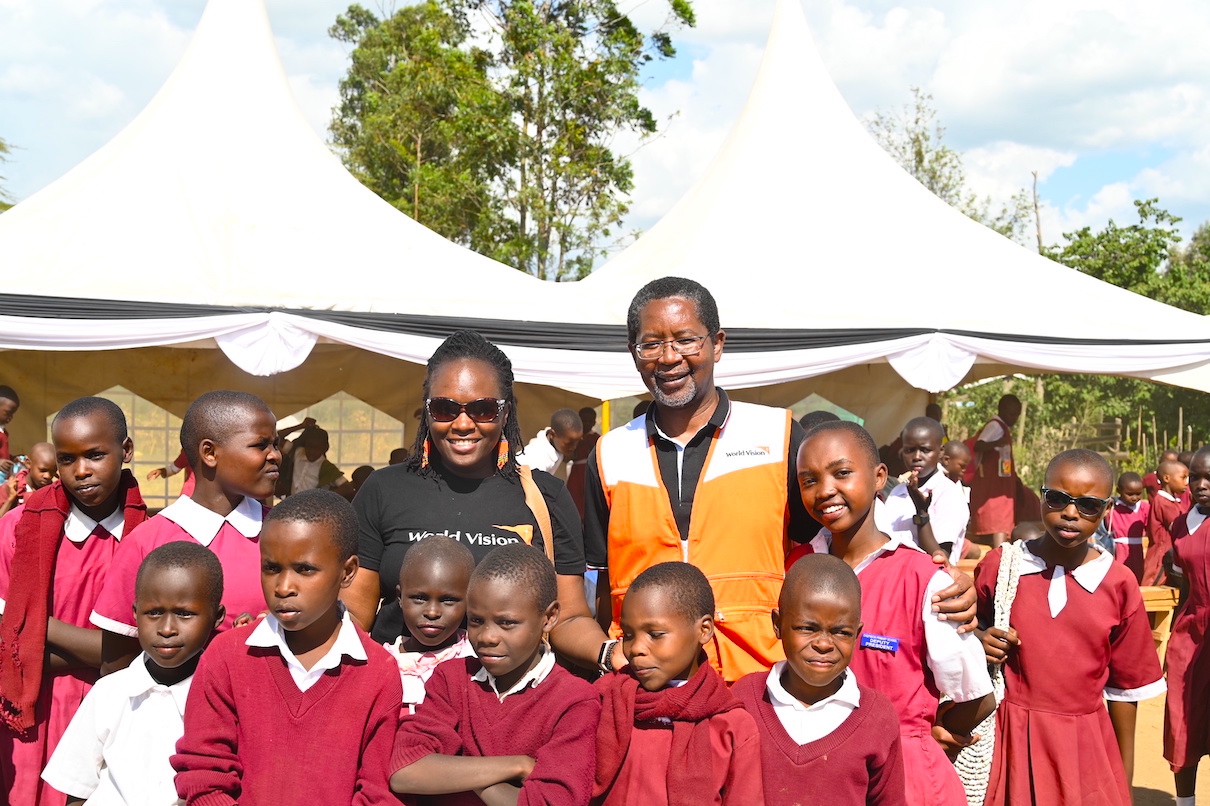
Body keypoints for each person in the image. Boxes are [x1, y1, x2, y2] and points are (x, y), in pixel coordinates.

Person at [585, 277, 974, 683]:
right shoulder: (610, 454)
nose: (668, 357)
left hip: (759, 689)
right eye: (651, 344)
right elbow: (603, 586)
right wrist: (609, 654)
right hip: (646, 694)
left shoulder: (778, 436)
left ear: (717, 344)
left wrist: (932, 577)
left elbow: (843, 541)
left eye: (686, 340)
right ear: (633, 353)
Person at [347, 330, 611, 671]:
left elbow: (569, 618)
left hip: (508, 709)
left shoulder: (545, 497)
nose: (462, 424)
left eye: (482, 409)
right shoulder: (384, 490)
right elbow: (353, 616)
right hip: (402, 704)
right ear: (426, 410)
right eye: (444, 408)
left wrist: (610, 654)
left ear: (505, 413)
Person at [796, 420, 994, 806]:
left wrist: (926, 735)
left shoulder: (924, 579)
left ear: (878, 477)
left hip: (904, 781)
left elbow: (976, 696)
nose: (825, 491)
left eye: (842, 473)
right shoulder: (797, 569)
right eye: (809, 480)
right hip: (816, 775)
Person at [172, 489, 400, 804]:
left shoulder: (377, 672)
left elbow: (378, 791)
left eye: (305, 569)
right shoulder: (227, 656)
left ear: (347, 572)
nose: (283, 587)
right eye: (271, 568)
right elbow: (203, 774)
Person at [977, 449, 1165, 806]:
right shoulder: (1002, 566)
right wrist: (979, 639)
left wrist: (1122, 783)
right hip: (1009, 739)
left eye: (1089, 505)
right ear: (1041, 495)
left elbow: (1125, 692)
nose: (1070, 512)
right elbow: (969, 628)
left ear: (1106, 509)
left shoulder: (1118, 584)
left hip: (1084, 747)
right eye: (1058, 498)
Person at [0, 397, 146, 806]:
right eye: (67, 459)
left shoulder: (150, 537)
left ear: (126, 451)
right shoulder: (18, 529)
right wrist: (108, 651)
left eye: (96, 455)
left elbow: (148, 652)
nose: (81, 471)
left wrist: (30, 623)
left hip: (117, 712)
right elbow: (3, 649)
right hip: (31, 710)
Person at [390, 543, 601, 805]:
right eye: (476, 621)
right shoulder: (451, 678)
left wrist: (459, 771)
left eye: (507, 623)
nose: (487, 637)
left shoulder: (574, 700)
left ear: (549, 617)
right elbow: (405, 771)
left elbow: (553, 800)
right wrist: (517, 766)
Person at [91, 390, 281, 674]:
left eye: (275, 444)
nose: (275, 455)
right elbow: (117, 663)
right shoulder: (147, 542)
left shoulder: (284, 533)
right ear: (209, 453)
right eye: (260, 445)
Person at [40, 543, 224, 806]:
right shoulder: (108, 693)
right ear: (135, 614)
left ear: (216, 617)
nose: (167, 629)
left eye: (185, 614)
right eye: (154, 613)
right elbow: (77, 791)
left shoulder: (223, 700)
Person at [733, 553, 906, 806]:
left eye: (841, 632)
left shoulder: (878, 716)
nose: (824, 644)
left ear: (857, 634)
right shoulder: (744, 700)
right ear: (778, 624)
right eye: (807, 628)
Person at [593, 562, 762, 805]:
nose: (636, 649)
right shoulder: (604, 701)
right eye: (628, 635)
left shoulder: (731, 725)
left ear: (704, 630)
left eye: (655, 634)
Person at [1164, 447, 1210, 806]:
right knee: (1182, 719)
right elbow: (1181, 583)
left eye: (1209, 477)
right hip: (1191, 633)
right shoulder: (1181, 524)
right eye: (1195, 477)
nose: (1201, 484)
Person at [387, 535, 476, 715]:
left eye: (448, 600)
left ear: (469, 601)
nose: (432, 612)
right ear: (400, 598)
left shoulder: (476, 663)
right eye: (419, 598)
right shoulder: (379, 665)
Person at [879, 417, 969, 561]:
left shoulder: (949, 494)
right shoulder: (897, 492)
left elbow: (940, 558)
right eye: (909, 450)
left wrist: (922, 514)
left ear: (940, 452)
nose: (916, 457)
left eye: (925, 450)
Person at [969, 394, 1023, 549]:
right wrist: (997, 442)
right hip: (993, 484)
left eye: (1017, 415)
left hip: (1001, 481)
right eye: (1011, 414)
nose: (1014, 418)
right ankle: (999, 554)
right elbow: (978, 445)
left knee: (1001, 516)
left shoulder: (1002, 427)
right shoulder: (996, 426)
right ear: (1002, 410)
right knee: (999, 517)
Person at [276, 422, 354, 500]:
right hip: (292, 505)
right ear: (305, 444)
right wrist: (301, 426)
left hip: (312, 509)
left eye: (316, 448)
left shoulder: (326, 467)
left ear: (325, 448)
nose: (311, 452)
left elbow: (348, 488)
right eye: (309, 447)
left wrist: (322, 497)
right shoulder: (298, 453)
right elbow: (276, 437)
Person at [1145, 457, 1189, 586]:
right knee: (1153, 591)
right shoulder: (1164, 503)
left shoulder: (1173, 501)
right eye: (1183, 477)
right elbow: (1179, 528)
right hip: (1161, 557)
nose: (1187, 482)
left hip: (1169, 555)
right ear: (1166, 479)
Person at [518, 408, 583, 482]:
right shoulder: (537, 458)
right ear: (552, 434)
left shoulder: (556, 444)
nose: (573, 447)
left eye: (577, 442)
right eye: (569, 443)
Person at [1106, 471, 1149, 583]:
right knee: (1118, 577)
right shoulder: (1112, 507)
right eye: (1130, 494)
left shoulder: (1144, 507)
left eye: (1138, 494)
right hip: (1118, 550)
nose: (1134, 498)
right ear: (1119, 491)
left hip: (1138, 551)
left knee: (1137, 579)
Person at [1, 442, 57, 517]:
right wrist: (10, 499)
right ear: (28, 463)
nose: (48, 476)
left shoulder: (52, 492)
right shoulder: (12, 488)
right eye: (43, 470)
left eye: (53, 471)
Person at [566, 407, 601, 518]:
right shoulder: (573, 436)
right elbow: (567, 456)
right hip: (576, 473)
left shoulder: (596, 438)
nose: (587, 423)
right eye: (584, 420)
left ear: (594, 422)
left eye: (590, 421)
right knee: (574, 499)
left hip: (591, 471)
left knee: (590, 499)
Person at [0, 385, 21, 470]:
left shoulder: (3, 432)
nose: (11, 417)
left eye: (12, 414)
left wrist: (12, 459)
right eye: (8, 413)